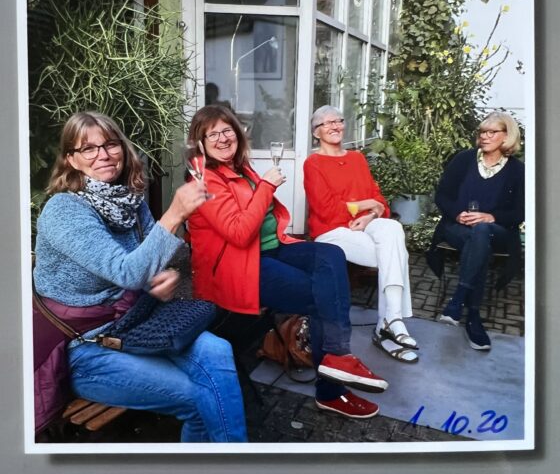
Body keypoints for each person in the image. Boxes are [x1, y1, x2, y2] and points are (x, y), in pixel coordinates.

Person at [33, 111, 247, 442]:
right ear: (71, 160)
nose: (103, 155)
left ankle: (231, 456)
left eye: (110, 144)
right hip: (83, 347)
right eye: (88, 148)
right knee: (198, 397)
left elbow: (147, 264)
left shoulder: (129, 201)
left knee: (217, 351)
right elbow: (126, 272)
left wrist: (159, 276)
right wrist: (175, 214)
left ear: (123, 148)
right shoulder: (64, 210)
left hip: (134, 325)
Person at [186, 105, 388, 420]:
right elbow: (239, 233)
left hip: (269, 249)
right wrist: (266, 187)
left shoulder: (240, 167)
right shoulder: (204, 179)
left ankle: (337, 357)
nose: (223, 138)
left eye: (227, 130)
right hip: (237, 266)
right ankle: (331, 388)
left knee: (331, 255)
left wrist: (262, 189)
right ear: (200, 143)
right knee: (320, 294)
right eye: (212, 134)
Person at [303, 105, 418, 365]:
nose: (335, 126)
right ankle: (387, 326)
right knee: (393, 255)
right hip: (331, 231)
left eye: (339, 121)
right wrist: (366, 204)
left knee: (393, 229)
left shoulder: (357, 158)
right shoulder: (313, 164)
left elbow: (380, 201)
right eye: (327, 123)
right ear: (316, 132)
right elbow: (326, 210)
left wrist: (371, 215)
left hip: (364, 224)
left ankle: (392, 319)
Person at [431, 111, 524, 351]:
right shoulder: (463, 160)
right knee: (479, 241)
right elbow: (442, 195)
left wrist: (492, 217)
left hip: (498, 231)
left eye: (492, 132)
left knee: (482, 232)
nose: (485, 136)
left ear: (507, 136)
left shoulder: (518, 170)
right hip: (457, 228)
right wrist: (457, 213)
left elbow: (521, 211)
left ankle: (458, 300)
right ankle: (473, 316)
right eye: (482, 131)